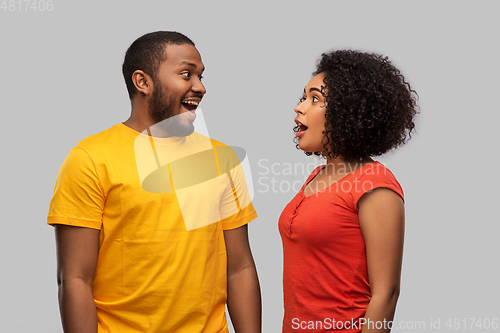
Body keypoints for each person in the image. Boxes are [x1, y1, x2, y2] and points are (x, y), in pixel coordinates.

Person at [48, 31, 261, 333]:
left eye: (200, 76)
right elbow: (75, 278)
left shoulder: (222, 159)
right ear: (143, 82)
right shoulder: (89, 159)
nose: (199, 87)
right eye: (186, 74)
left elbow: (239, 268)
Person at [279, 50, 418, 332]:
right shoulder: (316, 176)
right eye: (303, 97)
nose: (300, 107)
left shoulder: (375, 184)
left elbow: (386, 294)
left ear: (348, 110)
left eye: (315, 99)